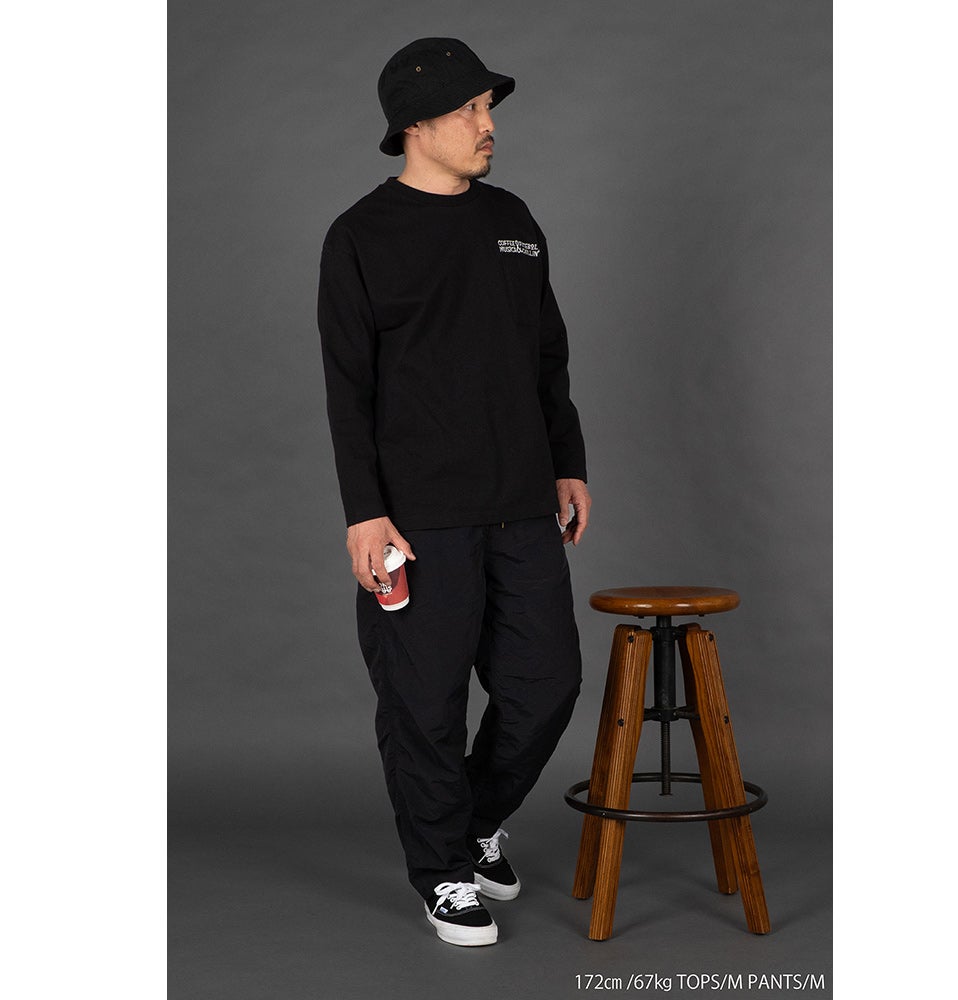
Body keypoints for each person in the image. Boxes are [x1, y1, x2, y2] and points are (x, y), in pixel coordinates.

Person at [317, 37, 591, 947]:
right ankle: (442, 871)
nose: (488, 124)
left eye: (488, 107)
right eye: (470, 108)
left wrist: (567, 460)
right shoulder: (360, 236)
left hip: (522, 503)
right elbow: (348, 387)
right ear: (415, 124)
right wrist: (364, 511)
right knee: (424, 706)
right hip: (418, 520)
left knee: (547, 684)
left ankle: (471, 826)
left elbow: (546, 356)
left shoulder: (514, 221)